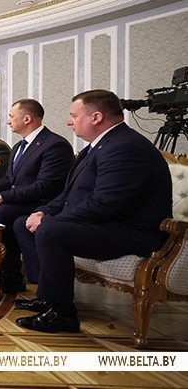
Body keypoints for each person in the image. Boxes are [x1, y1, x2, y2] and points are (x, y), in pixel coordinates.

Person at [12, 90, 171, 333]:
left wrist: (50, 219)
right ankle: (48, 297)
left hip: (132, 230)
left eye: (74, 115)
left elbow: (104, 204)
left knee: (52, 231)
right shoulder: (97, 147)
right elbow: (69, 194)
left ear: (96, 117)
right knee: (23, 222)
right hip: (108, 222)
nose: (69, 121)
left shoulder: (125, 147)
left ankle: (63, 314)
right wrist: (42, 212)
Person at [0, 99, 74, 290]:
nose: (8, 121)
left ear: (27, 119)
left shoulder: (54, 145)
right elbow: (8, 179)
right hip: (18, 198)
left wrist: (1, 197)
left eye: (11, 116)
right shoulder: (19, 146)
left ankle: (10, 274)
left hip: (40, 202)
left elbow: (45, 187)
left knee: (3, 212)